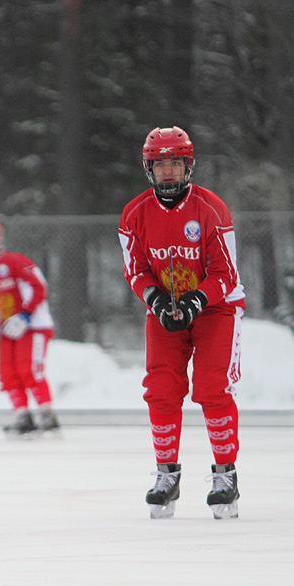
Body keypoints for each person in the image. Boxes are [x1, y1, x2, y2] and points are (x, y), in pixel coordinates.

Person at [118, 126, 245, 520]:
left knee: (211, 386)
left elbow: (226, 273)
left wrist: (195, 301)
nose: (167, 173)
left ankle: (226, 475)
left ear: (188, 166)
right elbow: (135, 270)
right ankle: (166, 474)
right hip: (166, 310)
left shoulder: (210, 209)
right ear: (148, 169)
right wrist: (156, 300)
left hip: (215, 308)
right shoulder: (134, 214)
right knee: (161, 388)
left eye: (174, 164)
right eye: (160, 165)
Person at [0, 217, 58, 437]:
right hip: (8, 329)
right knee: (8, 372)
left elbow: (39, 287)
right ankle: (22, 415)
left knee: (30, 369)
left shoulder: (15, 261)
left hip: (33, 324)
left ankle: (47, 415)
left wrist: (25, 316)